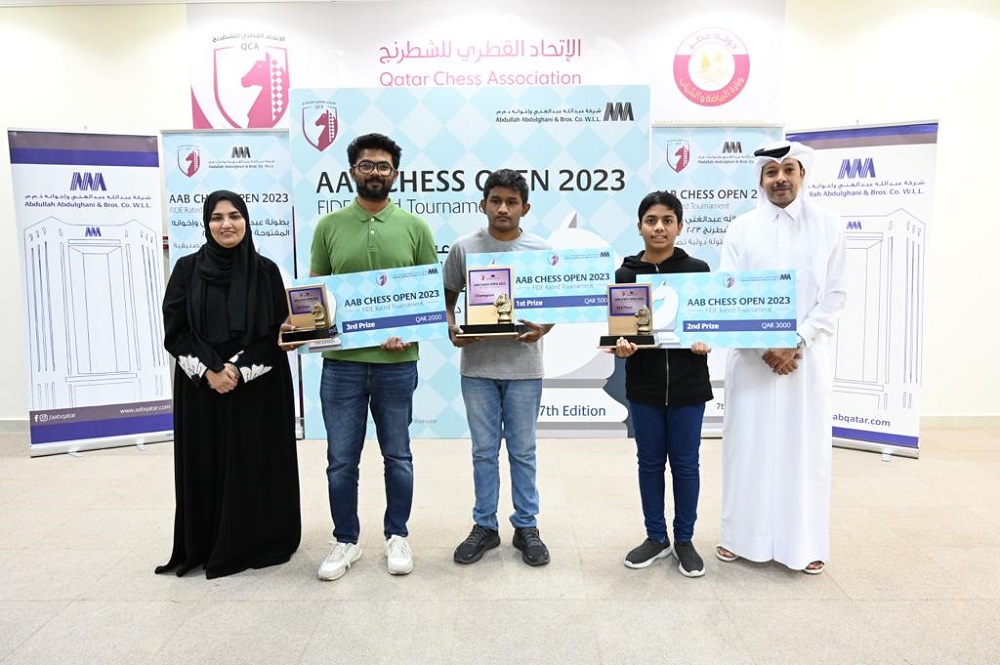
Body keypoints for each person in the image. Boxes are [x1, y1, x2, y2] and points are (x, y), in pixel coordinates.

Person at [716, 140, 847, 574]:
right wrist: (764, 345)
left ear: (802, 175)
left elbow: (834, 295)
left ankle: (804, 542)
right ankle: (740, 537)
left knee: (802, 450)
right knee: (747, 448)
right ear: (761, 180)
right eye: (771, 172)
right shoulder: (741, 228)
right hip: (753, 360)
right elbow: (728, 292)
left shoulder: (828, 226)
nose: (780, 179)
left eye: (788, 170)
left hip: (805, 361)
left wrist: (796, 341)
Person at [310, 133, 438, 581]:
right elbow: (316, 294)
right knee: (341, 459)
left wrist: (408, 331)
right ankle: (345, 541)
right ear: (353, 171)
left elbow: (428, 293)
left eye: (384, 166)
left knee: (397, 456)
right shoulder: (328, 227)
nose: (376, 173)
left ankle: (396, 535)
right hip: (342, 365)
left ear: (395, 174)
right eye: (367, 166)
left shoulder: (416, 227)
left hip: (397, 366)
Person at [157, 190, 301, 579]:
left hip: (256, 389)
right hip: (201, 389)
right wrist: (209, 372)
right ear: (206, 223)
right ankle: (205, 541)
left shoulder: (266, 270)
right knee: (207, 462)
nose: (226, 224)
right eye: (217, 217)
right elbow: (175, 331)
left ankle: (254, 538)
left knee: (252, 463)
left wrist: (237, 370)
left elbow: (276, 332)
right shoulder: (186, 270)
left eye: (235, 216)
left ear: (246, 221)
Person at [443, 169, 553, 567]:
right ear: (483, 204)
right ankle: (485, 526)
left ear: (525, 207)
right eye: (495, 200)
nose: (503, 208)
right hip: (477, 367)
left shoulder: (541, 250)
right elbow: (449, 298)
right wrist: (452, 325)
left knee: (523, 452)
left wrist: (547, 327)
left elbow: (555, 304)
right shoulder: (463, 247)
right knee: (484, 452)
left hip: (524, 366)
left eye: (511, 202)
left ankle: (527, 527)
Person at [611, 191, 713, 578]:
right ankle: (656, 537)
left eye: (667, 220)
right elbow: (621, 337)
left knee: (686, 465)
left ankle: (684, 539)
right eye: (651, 220)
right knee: (650, 464)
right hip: (645, 387)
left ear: (679, 226)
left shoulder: (698, 270)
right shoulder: (625, 277)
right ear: (639, 226)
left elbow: (708, 324)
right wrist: (621, 347)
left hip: (689, 384)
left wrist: (706, 339)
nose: (659, 227)